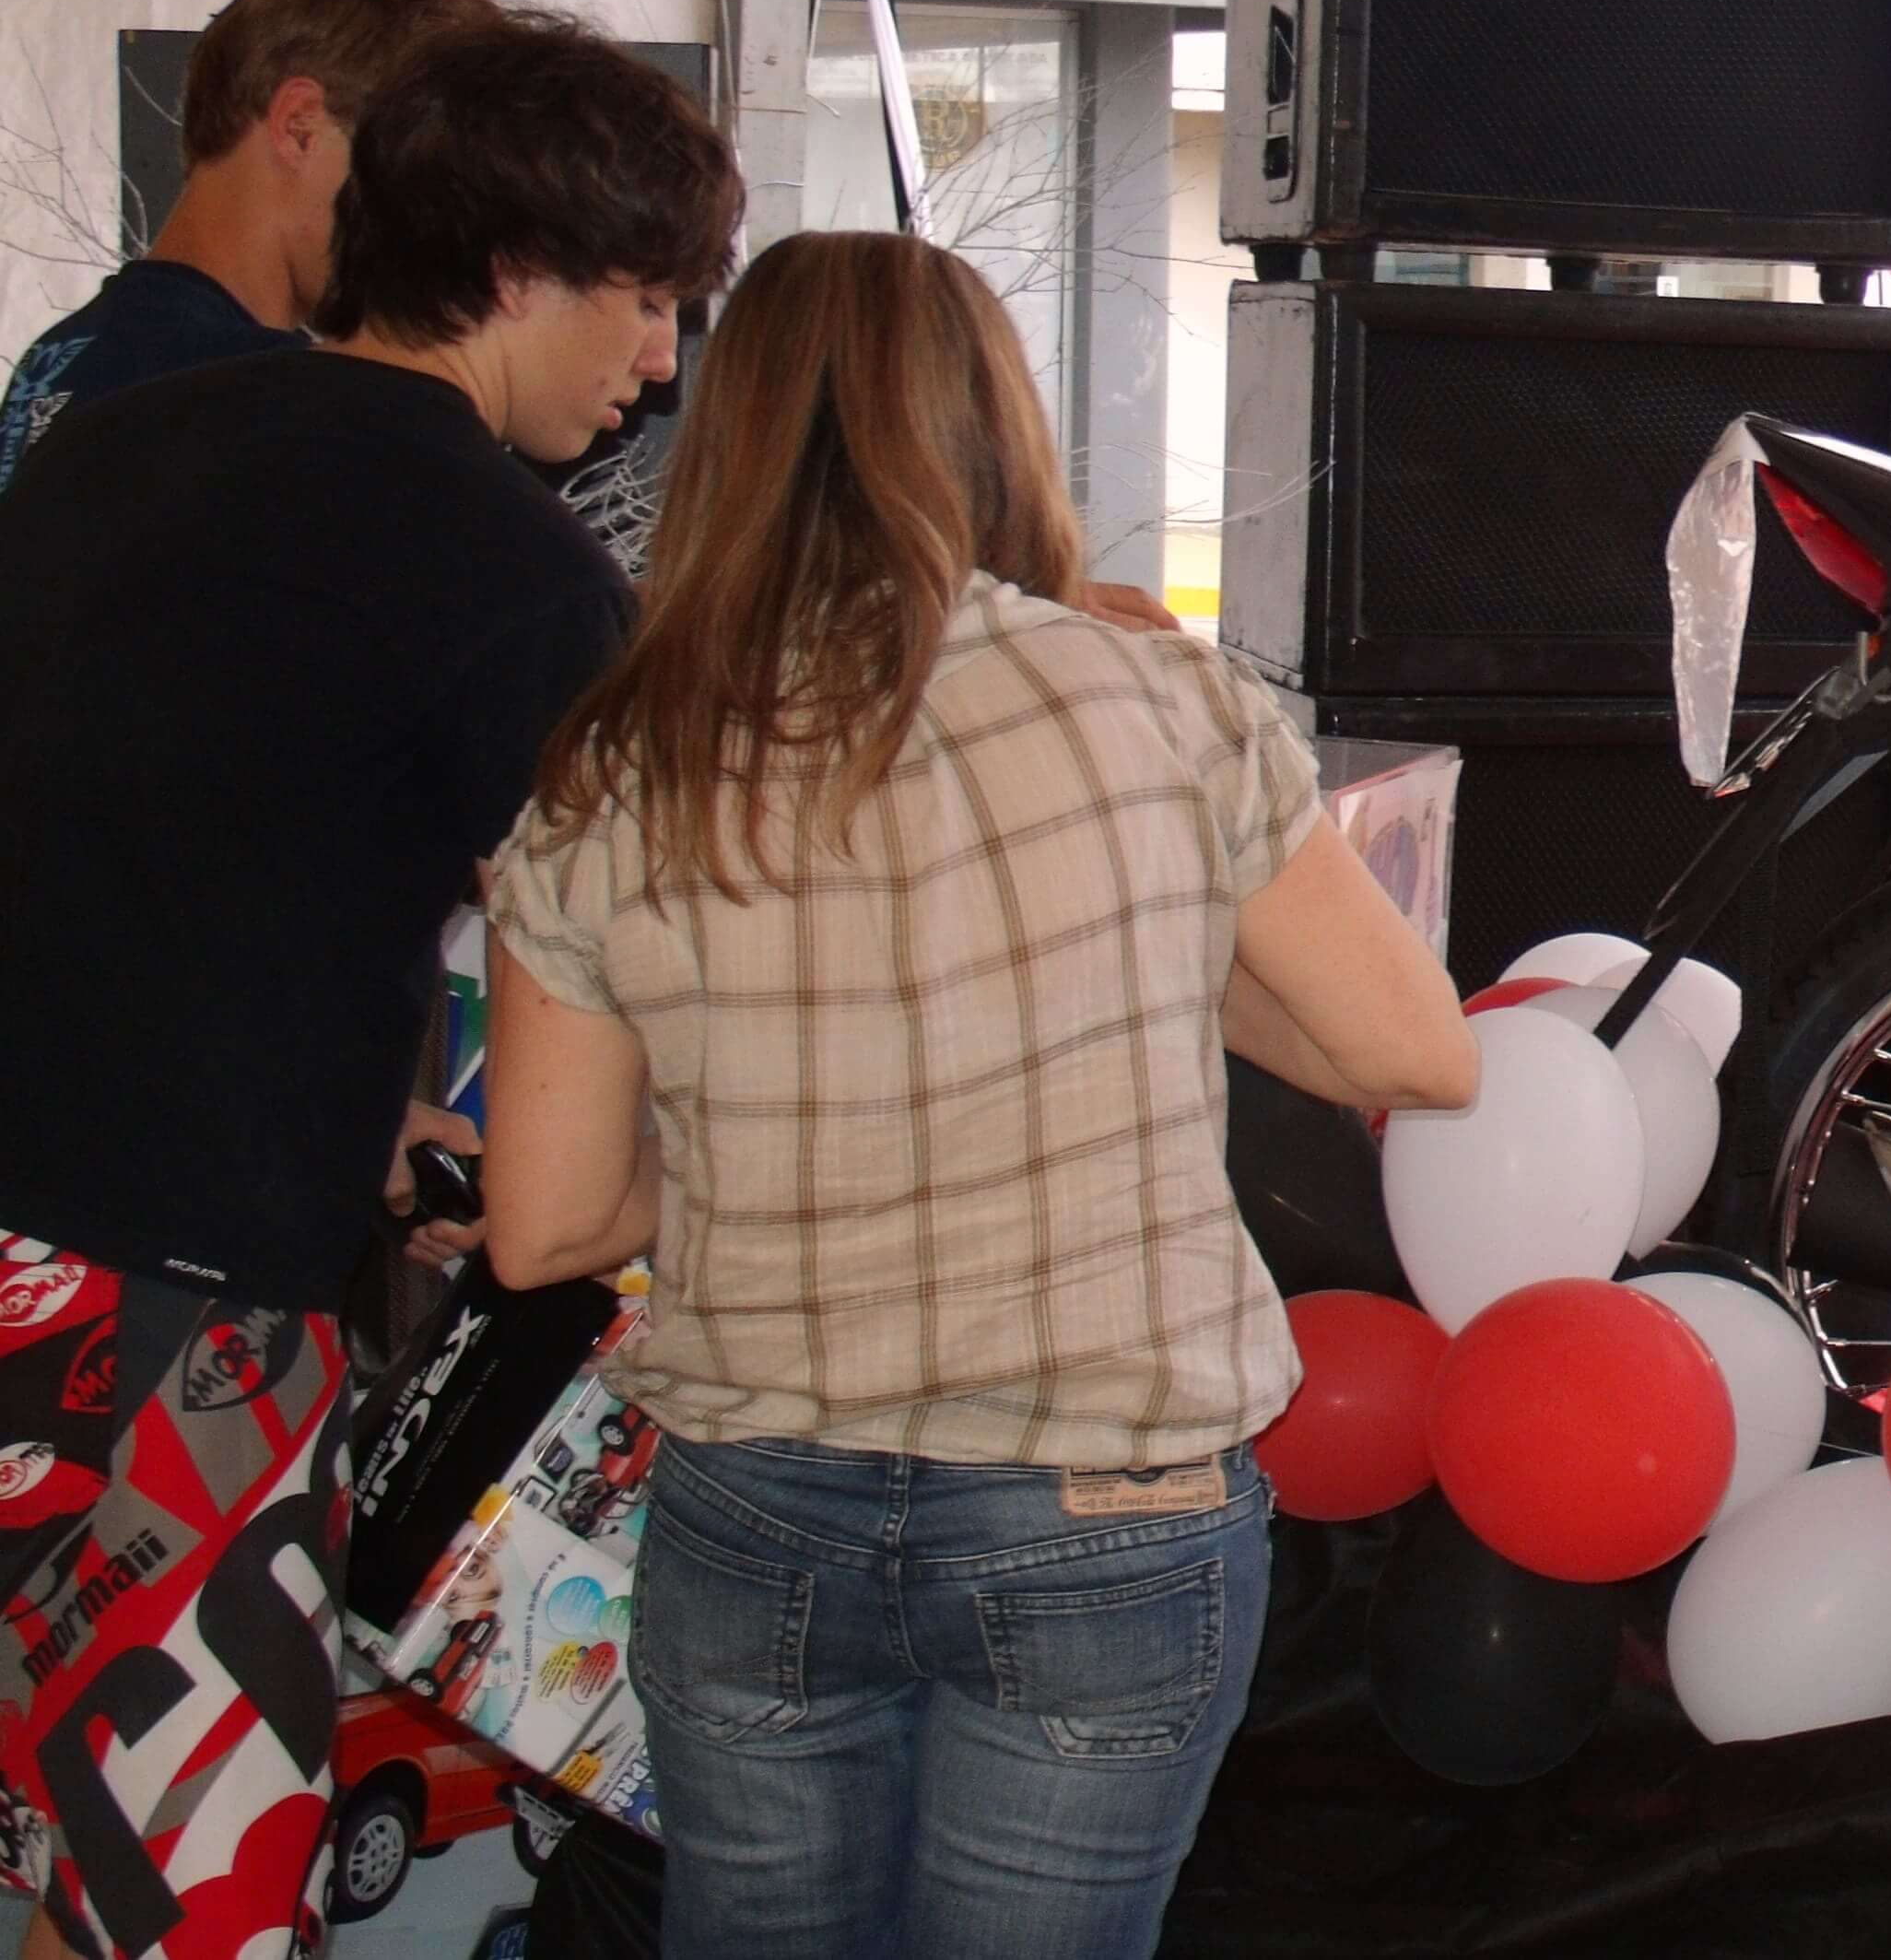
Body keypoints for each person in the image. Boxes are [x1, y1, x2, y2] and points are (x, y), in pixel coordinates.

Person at [479, 231, 1477, 1960]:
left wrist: (772, 1124)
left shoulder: (618, 764)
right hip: (1105, 1507)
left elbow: (545, 1225)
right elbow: (1412, 1050)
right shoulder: (1155, 699)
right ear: (993, 424)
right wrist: (1127, 947)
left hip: (760, 1497)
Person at [0, 18, 739, 1960]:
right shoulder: (509, 568)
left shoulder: (109, 440)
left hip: (35, 1246)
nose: (659, 359)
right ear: (515, 270)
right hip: (172, 1321)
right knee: (172, 1889)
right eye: (644, 297)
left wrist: (360, 1112)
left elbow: (157, 841)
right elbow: (645, 981)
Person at [0, 0, 504, 492]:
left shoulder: (61, 356)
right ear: (302, 127)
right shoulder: (274, 395)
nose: (433, 229)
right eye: (419, 177)